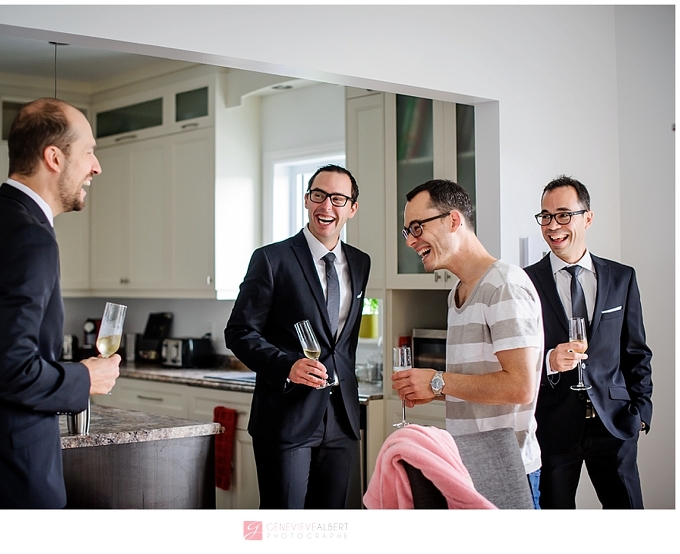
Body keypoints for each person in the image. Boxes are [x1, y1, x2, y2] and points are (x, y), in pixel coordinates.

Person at [0, 98, 121, 508]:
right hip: (8, 475)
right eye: (89, 152)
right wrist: (85, 379)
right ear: (54, 157)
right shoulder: (30, 236)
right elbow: (9, 371)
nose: (96, 167)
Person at [225, 164, 371, 509]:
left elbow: (342, 343)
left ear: (352, 208)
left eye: (338, 198)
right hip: (285, 416)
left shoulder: (361, 263)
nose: (326, 206)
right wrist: (287, 366)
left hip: (342, 417)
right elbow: (239, 331)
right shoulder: (272, 259)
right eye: (318, 195)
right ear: (307, 200)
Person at [391, 179, 544, 507]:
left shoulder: (503, 286)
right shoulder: (457, 294)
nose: (411, 241)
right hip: (468, 467)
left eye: (417, 227)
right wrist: (435, 388)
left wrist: (437, 382)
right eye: (407, 232)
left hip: (508, 469)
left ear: (454, 220)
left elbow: (520, 387)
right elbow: (472, 384)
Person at [524, 175, 652, 509]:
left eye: (564, 214)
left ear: (588, 218)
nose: (553, 225)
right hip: (552, 430)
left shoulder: (622, 278)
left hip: (614, 424)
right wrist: (550, 359)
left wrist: (640, 413)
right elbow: (518, 359)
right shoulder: (524, 282)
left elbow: (636, 352)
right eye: (546, 216)